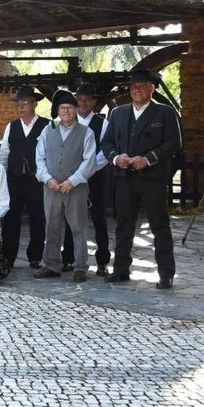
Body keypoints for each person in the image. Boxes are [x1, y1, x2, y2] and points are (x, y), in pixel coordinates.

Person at [101, 69, 182, 289]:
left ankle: (166, 273)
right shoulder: (118, 113)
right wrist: (117, 158)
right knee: (123, 225)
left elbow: (174, 143)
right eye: (133, 86)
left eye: (141, 86)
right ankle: (120, 270)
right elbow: (106, 143)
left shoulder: (165, 112)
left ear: (151, 88)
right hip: (125, 178)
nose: (136, 90)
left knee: (159, 226)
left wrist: (148, 159)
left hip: (152, 179)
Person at [0, 86, 62, 271]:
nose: (22, 106)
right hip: (15, 180)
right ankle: (8, 257)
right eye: (19, 103)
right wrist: (2, 178)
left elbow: (52, 153)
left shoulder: (47, 125)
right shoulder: (12, 126)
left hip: (37, 180)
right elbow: (4, 154)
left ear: (34, 103)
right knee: (11, 219)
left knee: (38, 219)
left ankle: (35, 256)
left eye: (25, 102)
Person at [34, 90, 97, 282]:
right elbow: (39, 158)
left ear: (76, 109)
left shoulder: (86, 133)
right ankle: (51, 264)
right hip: (51, 187)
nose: (66, 111)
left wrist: (73, 181)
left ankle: (80, 267)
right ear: (57, 110)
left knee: (78, 227)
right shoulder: (47, 130)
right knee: (51, 226)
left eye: (70, 108)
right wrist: (47, 179)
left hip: (75, 188)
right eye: (62, 108)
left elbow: (89, 160)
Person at [75, 82, 110, 276]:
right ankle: (69, 258)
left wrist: (87, 170)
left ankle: (102, 261)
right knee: (71, 217)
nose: (83, 103)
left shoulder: (102, 124)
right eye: (79, 99)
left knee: (99, 218)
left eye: (87, 99)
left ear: (94, 102)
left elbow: (105, 152)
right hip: (73, 178)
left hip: (96, 176)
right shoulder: (68, 121)